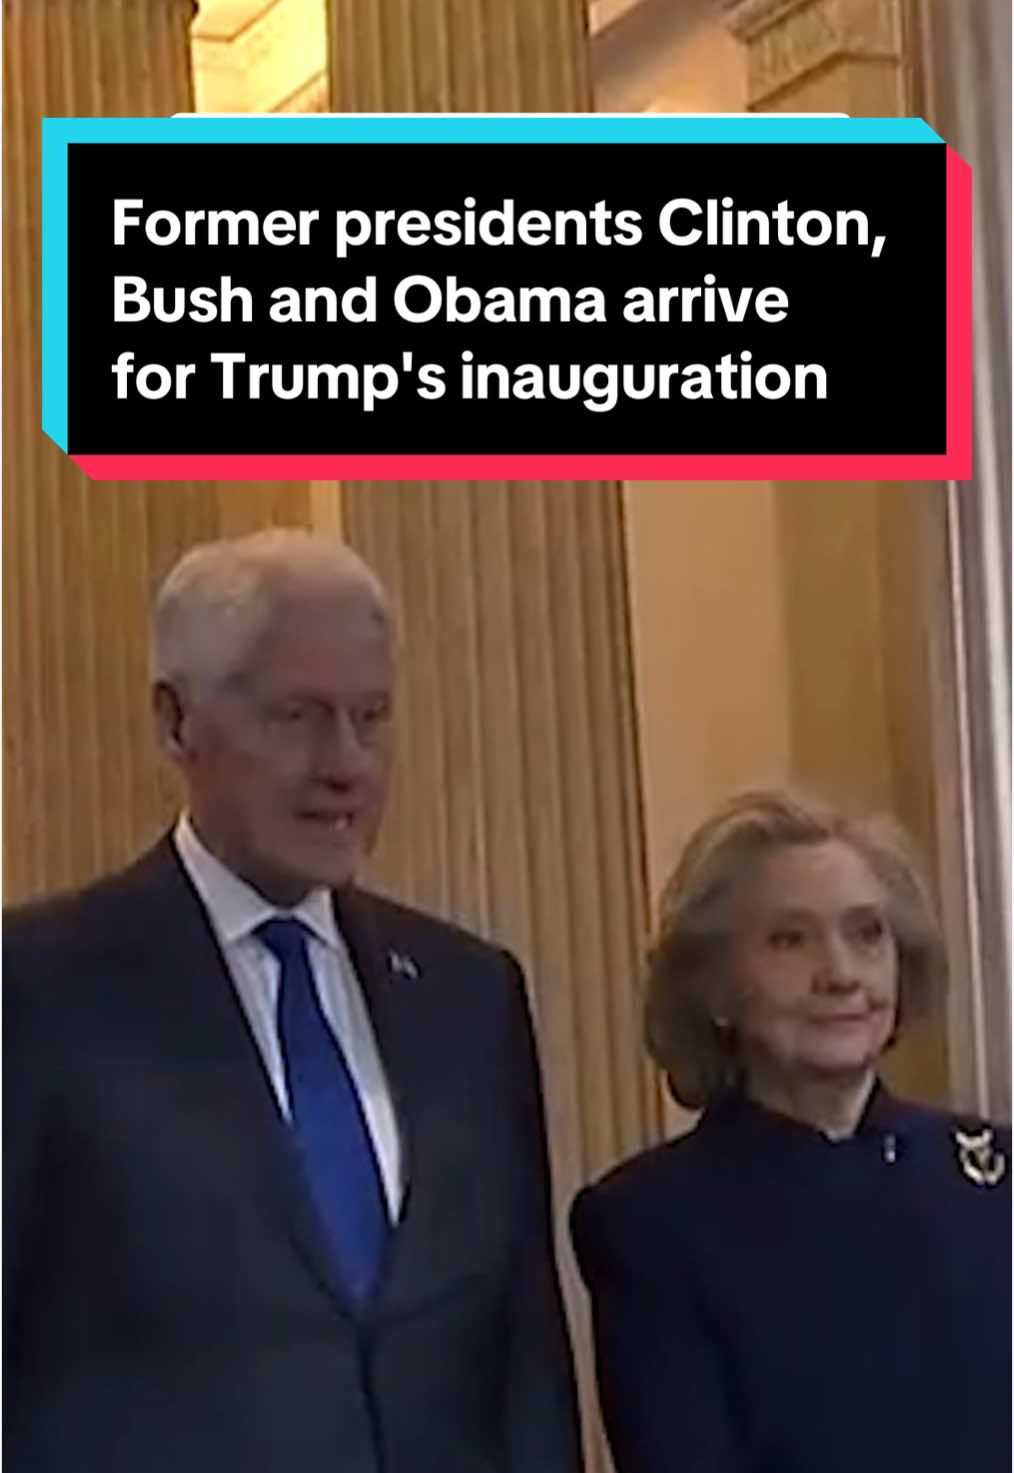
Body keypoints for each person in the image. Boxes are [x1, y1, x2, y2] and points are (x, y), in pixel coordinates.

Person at [4, 528, 583, 1473]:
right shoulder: (33, 990)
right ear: (176, 723)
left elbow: (523, 1359)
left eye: (372, 715)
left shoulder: (470, 995)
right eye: (296, 716)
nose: (346, 762)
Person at [570, 789, 1011, 1473]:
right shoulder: (649, 1221)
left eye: (867, 933)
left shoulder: (993, 1177)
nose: (840, 974)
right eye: (789, 939)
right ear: (714, 988)